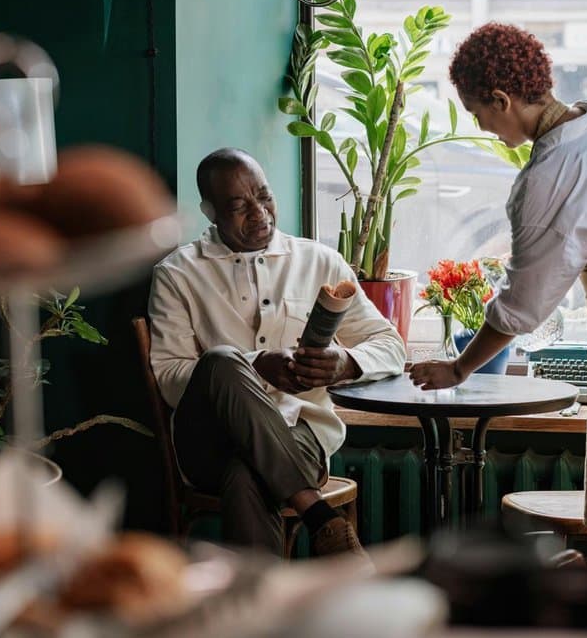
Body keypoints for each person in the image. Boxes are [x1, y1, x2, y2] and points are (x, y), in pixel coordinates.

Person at [148, 148, 406, 556]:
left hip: (301, 433)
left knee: (247, 472)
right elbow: (169, 377)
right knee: (221, 360)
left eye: (264, 197)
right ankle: (317, 513)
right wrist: (256, 367)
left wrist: (346, 362)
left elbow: (390, 345)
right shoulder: (178, 274)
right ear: (210, 210)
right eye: (238, 206)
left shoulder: (320, 261)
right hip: (208, 442)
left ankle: (261, 612)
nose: (259, 213)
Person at [410, 22, 587, 532]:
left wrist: (459, 369)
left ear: (502, 99)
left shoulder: (547, 180)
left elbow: (522, 306)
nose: (480, 128)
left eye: (477, 113)